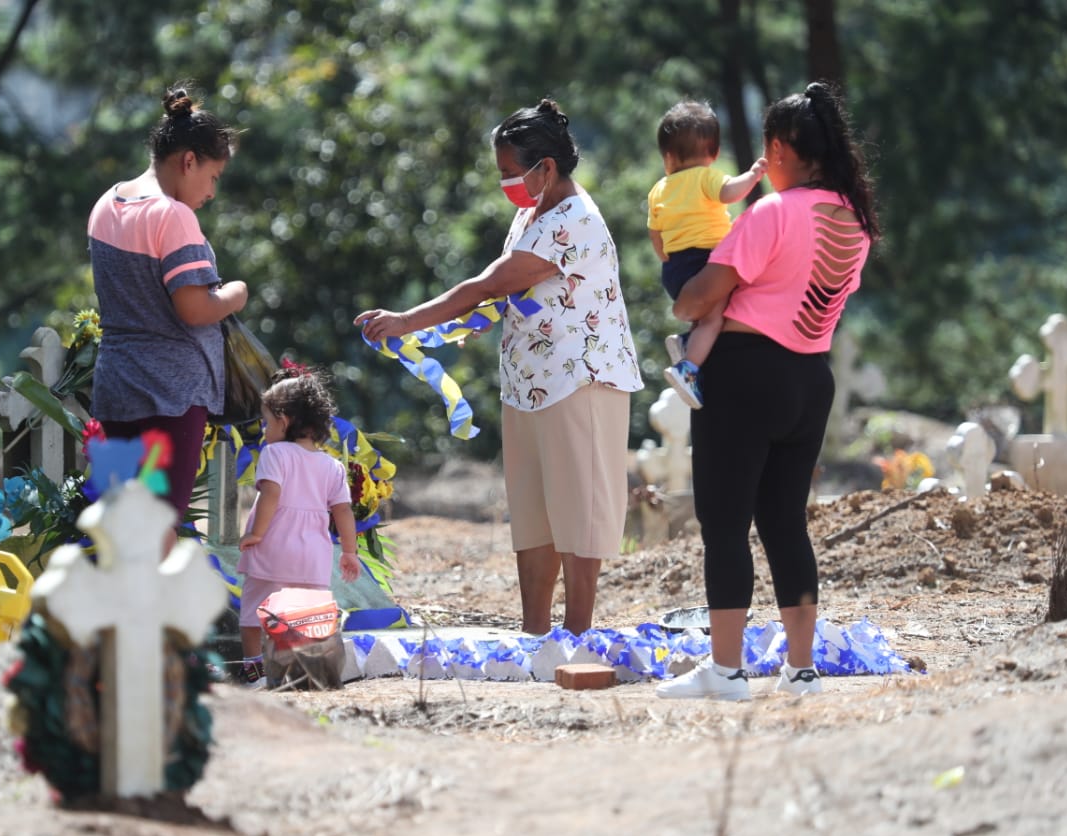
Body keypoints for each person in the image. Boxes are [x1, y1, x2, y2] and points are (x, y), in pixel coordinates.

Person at [355, 99, 643, 636]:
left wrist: (407, 321)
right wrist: (476, 321)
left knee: (580, 517)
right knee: (533, 518)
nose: (506, 184)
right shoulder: (530, 212)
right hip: (529, 383)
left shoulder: (574, 220)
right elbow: (511, 293)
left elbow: (487, 283)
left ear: (547, 168)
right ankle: (536, 636)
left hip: (579, 379)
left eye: (511, 174)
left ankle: (577, 635)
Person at [655, 81, 879, 701]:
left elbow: (695, 300)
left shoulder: (773, 213)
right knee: (785, 525)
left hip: (745, 374)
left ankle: (726, 672)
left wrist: (688, 291)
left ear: (780, 147)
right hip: (810, 381)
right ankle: (800, 670)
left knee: (724, 523)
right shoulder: (853, 220)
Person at [87, 81, 248, 525]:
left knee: (117, 520)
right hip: (170, 395)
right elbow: (194, 310)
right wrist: (235, 294)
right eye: (212, 177)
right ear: (189, 160)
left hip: (117, 387)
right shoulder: (173, 215)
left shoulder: (107, 203)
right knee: (159, 521)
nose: (212, 191)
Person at [235, 369, 362, 687]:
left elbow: (271, 495)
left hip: (273, 549)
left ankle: (257, 673)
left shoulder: (275, 453)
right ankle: (306, 673)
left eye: (267, 421)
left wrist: (257, 533)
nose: (264, 430)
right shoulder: (332, 465)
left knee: (254, 614)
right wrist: (349, 551)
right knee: (308, 616)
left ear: (285, 420)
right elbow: (343, 511)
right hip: (313, 556)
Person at [648, 100, 767, 409]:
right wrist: (753, 175)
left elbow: (656, 235)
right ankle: (688, 369)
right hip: (705, 261)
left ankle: (688, 343)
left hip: (674, 269)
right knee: (714, 319)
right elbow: (730, 192)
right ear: (713, 154)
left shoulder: (659, 189)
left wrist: (666, 259)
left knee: (705, 316)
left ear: (668, 157)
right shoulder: (706, 176)